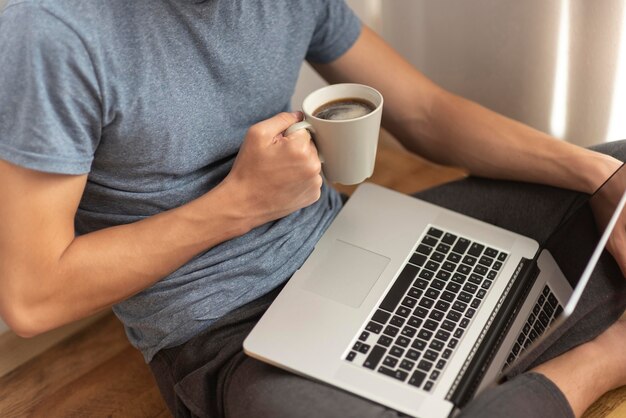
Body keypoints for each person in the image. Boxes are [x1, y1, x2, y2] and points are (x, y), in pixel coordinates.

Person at [0, 1, 624, 417]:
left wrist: (601, 177)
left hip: (359, 242)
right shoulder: (50, 32)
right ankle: (595, 356)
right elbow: (34, 298)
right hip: (226, 336)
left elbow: (425, 111)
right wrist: (238, 206)